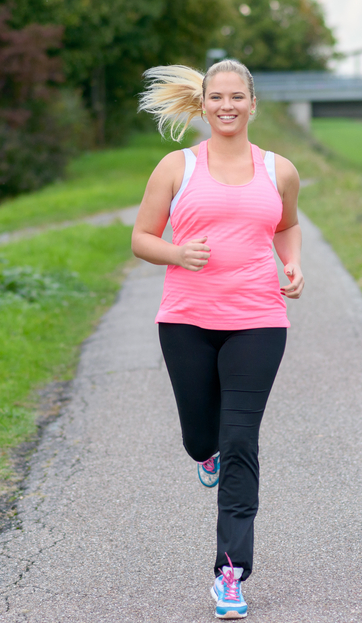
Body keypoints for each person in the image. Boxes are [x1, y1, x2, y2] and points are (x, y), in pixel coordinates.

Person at [131, 59, 304, 620]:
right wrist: (178, 253)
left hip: (258, 320)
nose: (226, 106)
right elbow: (141, 237)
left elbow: (287, 225)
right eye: (216, 97)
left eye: (237, 97)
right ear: (203, 104)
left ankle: (230, 573)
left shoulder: (279, 169)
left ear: (253, 104)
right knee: (200, 436)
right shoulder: (177, 166)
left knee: (240, 442)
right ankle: (200, 452)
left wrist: (293, 263)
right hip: (185, 320)